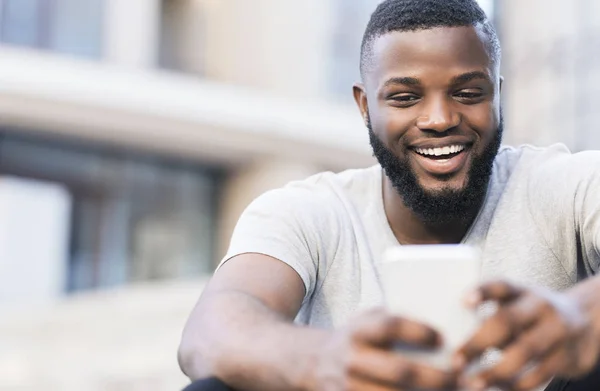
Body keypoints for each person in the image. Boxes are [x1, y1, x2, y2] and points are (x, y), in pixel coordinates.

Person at [178, 0, 600, 390]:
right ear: (364, 106)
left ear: (498, 96)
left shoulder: (562, 184)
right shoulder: (307, 212)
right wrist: (320, 359)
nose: (439, 119)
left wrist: (580, 314)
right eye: (405, 97)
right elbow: (210, 331)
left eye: (468, 93)